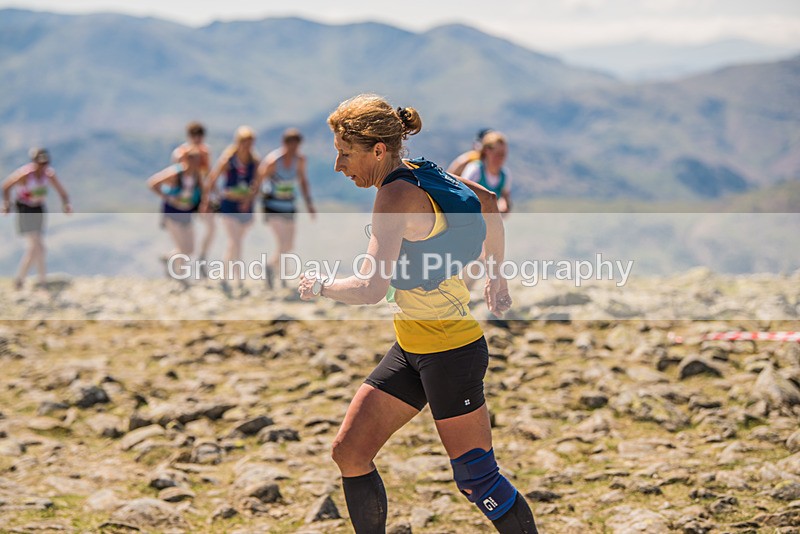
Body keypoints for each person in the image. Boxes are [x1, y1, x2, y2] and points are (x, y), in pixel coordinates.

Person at [298, 94, 537, 533]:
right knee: (350, 454)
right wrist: (496, 275)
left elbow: (371, 288)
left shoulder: (394, 198)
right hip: (412, 348)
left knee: (477, 479)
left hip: (451, 352)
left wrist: (320, 284)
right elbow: (486, 201)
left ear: (377, 150)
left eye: (344, 154)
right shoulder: (421, 169)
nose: (337, 165)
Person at [203, 126, 261, 297]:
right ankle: (239, 279)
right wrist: (213, 198)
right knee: (236, 241)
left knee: (234, 242)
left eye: (250, 143)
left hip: (245, 206)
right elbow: (211, 180)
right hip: (228, 205)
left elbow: (256, 184)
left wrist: (248, 199)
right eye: (244, 143)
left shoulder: (254, 161)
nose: (247, 146)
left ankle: (223, 275)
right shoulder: (229, 159)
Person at [2, 148, 71, 290]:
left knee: (35, 248)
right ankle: (42, 282)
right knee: (38, 246)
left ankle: (21, 280)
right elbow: (6, 186)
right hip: (25, 209)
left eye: (45, 163)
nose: (43, 166)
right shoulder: (25, 174)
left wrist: (66, 205)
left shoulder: (49, 174)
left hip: (39, 208)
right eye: (40, 163)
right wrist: (7, 205)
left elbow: (62, 192)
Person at [258, 128, 316, 288]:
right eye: (291, 145)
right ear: (285, 144)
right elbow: (259, 180)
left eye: (296, 146)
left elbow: (303, 181)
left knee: (289, 244)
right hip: (272, 206)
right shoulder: (273, 161)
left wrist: (309, 204)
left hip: (289, 205)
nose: (294, 149)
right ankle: (281, 277)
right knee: (282, 241)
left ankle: (272, 267)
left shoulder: (300, 160)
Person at [147, 148, 204, 286]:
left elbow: (201, 193)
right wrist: (170, 198)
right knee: (182, 246)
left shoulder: (197, 176)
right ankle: (180, 276)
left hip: (187, 213)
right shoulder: (176, 173)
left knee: (190, 248)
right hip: (172, 213)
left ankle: (169, 258)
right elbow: (153, 183)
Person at [172, 121, 216, 274]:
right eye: (194, 136)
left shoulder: (205, 152)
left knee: (211, 227)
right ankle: (174, 262)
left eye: (200, 136)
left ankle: (202, 257)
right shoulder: (181, 153)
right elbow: (178, 175)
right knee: (185, 243)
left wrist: (210, 194)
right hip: (186, 198)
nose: (198, 139)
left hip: (200, 195)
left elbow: (207, 175)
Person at [460, 131, 512, 214]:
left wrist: (503, 205)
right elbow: (462, 193)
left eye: (503, 155)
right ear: (487, 151)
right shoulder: (475, 169)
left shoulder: (505, 175)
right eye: (497, 154)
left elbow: (505, 198)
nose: (500, 158)